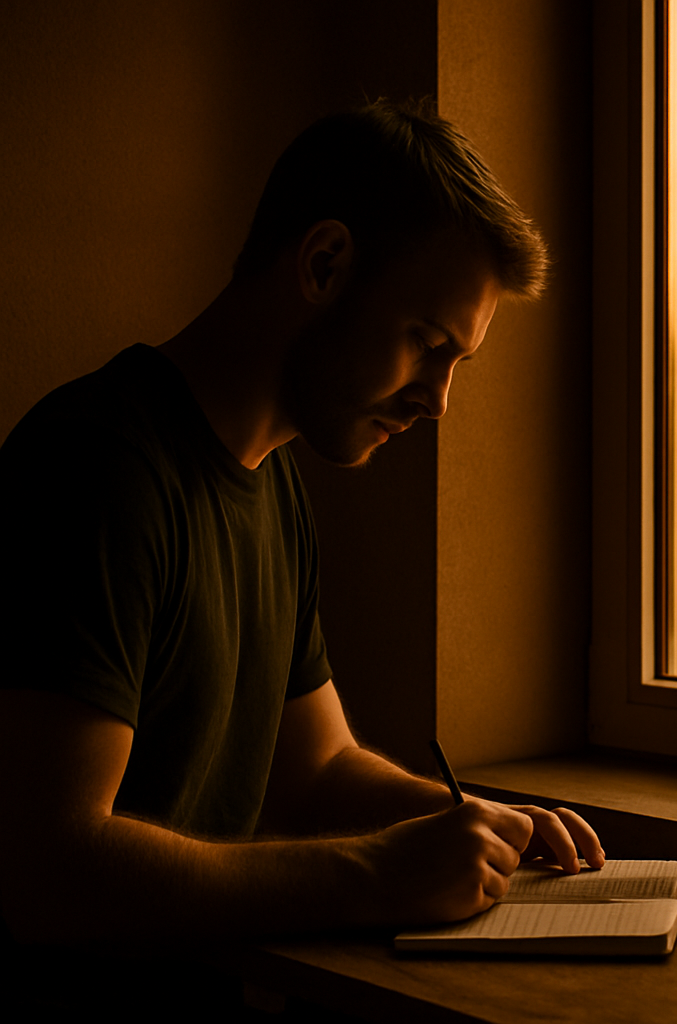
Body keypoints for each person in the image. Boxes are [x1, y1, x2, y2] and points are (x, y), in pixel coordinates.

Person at [0, 99, 604, 946]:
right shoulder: (98, 472)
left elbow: (314, 770)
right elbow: (45, 865)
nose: (438, 401)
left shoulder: (275, 488)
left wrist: (480, 826)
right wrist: (378, 874)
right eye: (427, 342)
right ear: (323, 264)